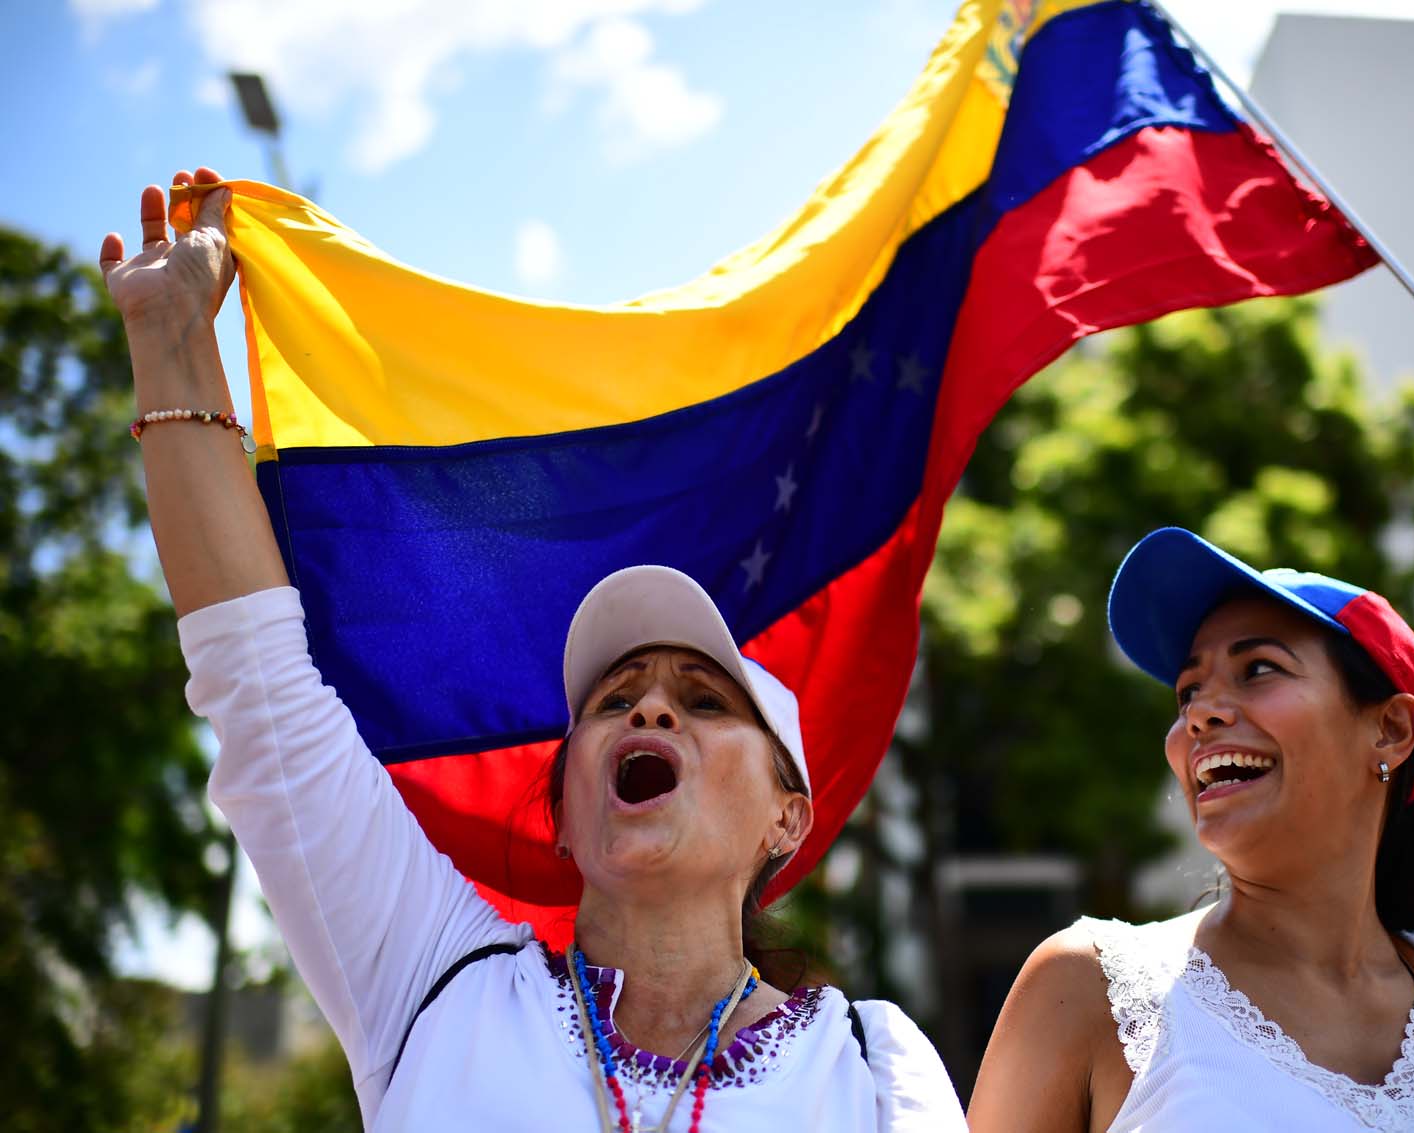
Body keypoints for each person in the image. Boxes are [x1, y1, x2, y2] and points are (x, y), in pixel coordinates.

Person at [101, 168, 966, 1132]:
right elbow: (260, 687)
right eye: (613, 700)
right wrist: (171, 337)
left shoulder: (871, 1062)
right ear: (560, 815)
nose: (648, 709)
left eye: (707, 701)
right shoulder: (434, 982)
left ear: (787, 818)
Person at [967, 396, 1414, 1131]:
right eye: (1189, 688)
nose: (1201, 711)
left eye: (1258, 668)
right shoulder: (1087, 987)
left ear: (1390, 728)